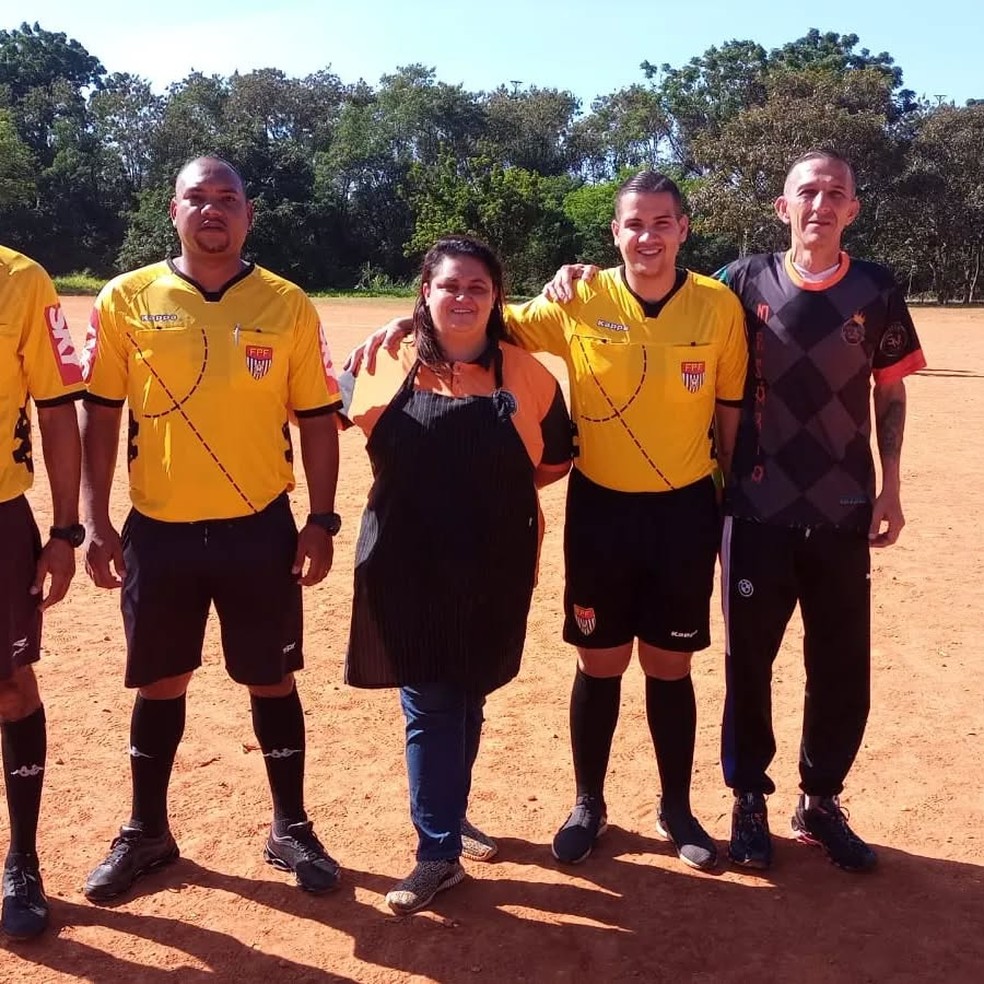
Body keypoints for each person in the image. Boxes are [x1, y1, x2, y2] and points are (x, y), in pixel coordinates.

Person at [348, 172, 748, 872]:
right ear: (614, 232)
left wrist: (733, 499)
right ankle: (588, 804)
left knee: (669, 667)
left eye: (662, 222)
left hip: (685, 508)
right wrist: (403, 322)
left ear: (685, 229)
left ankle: (676, 807)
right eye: (634, 223)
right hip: (601, 507)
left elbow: (731, 412)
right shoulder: (579, 297)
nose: (647, 236)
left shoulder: (719, 307)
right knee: (598, 665)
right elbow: (477, 321)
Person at [548, 150, 926, 873]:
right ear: (782, 208)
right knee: (747, 663)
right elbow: (657, 290)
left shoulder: (876, 289)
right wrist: (576, 275)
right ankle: (747, 800)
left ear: (852, 208)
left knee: (842, 665)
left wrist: (893, 486)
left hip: (845, 506)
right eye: (806, 192)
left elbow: (891, 390)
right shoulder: (739, 283)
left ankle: (820, 801)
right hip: (751, 509)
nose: (820, 204)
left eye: (835, 193)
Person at [79, 156, 344, 901]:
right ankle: (147, 832)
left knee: (271, 676)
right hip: (159, 529)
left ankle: (289, 826)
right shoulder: (127, 297)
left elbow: (320, 420)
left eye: (227, 199)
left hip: (259, 529)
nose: (213, 210)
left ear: (248, 216)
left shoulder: (287, 303)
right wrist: (95, 521)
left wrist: (321, 518)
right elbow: (101, 416)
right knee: (161, 680)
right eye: (198, 198)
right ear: (174, 212)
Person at [340, 235, 572, 914]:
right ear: (424, 293)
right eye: (449, 286)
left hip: (495, 561)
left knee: (469, 693)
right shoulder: (379, 363)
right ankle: (436, 851)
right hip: (405, 560)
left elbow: (553, 461)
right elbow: (321, 417)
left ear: (497, 296)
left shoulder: (530, 377)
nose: (463, 298)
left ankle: (450, 811)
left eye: (477, 286)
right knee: (432, 701)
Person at [0, 246, 85, 939]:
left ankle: (22, 859)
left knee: (9, 690)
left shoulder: (20, 281)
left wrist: (64, 530)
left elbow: (57, 409)